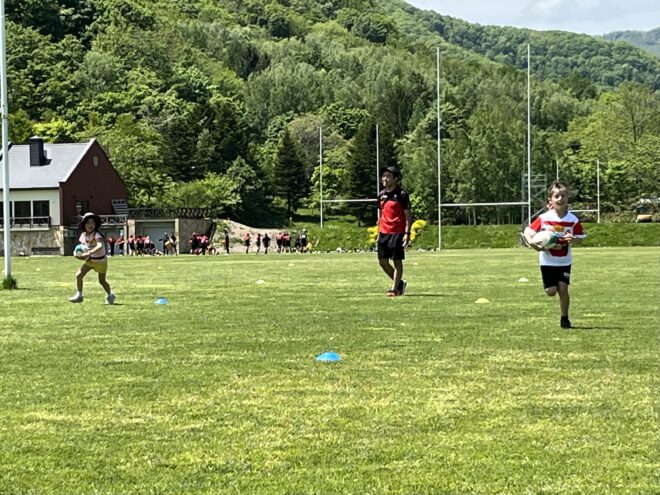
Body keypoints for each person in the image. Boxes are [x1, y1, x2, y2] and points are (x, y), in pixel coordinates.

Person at [524, 181, 586, 329]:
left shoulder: (572, 219)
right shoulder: (544, 218)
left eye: (563, 196)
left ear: (567, 198)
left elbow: (581, 238)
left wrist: (574, 239)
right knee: (551, 291)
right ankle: (552, 288)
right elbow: (528, 231)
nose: (560, 199)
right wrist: (533, 243)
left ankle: (565, 318)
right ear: (550, 200)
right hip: (547, 261)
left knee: (563, 289)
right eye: (556, 196)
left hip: (564, 261)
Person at [377, 166, 412, 297]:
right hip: (383, 232)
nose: (385, 179)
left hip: (397, 232)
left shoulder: (402, 195)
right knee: (383, 261)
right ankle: (400, 283)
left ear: (395, 179)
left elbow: (408, 216)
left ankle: (394, 289)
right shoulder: (381, 195)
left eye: (388, 176)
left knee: (397, 261)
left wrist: (407, 234)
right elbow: (381, 215)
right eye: (383, 176)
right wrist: (378, 232)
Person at [69, 212, 116, 304]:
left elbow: (99, 245)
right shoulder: (83, 235)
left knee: (102, 281)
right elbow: (80, 248)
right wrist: (76, 254)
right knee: (79, 275)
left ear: (95, 224)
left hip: (100, 261)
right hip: (90, 260)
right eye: (88, 223)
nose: (90, 225)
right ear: (84, 224)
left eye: (92, 223)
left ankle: (110, 295)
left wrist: (89, 252)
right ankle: (79, 295)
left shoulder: (96, 234)